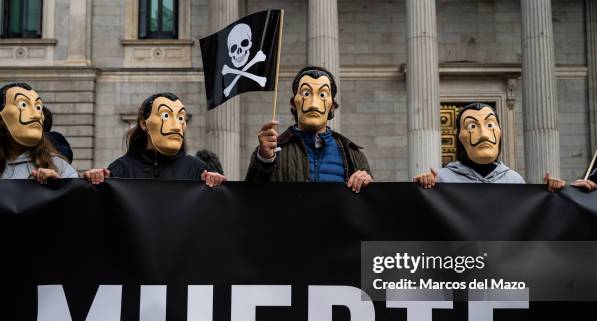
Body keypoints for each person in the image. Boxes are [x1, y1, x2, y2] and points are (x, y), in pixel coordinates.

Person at [245, 66, 373, 193]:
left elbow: (370, 207)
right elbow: (249, 199)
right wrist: (264, 161)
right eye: (306, 93)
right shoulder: (269, 151)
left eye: (322, 95)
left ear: (332, 106)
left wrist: (367, 183)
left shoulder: (353, 155)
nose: (313, 104)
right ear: (293, 104)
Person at [414, 102, 565, 192]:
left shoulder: (514, 180)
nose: (484, 134)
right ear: (459, 136)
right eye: (472, 126)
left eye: (490, 124)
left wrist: (552, 193)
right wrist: (421, 187)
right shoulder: (442, 179)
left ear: (500, 133)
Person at [84, 92, 226, 186]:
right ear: (144, 124)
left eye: (181, 118)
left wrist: (215, 185)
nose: (177, 126)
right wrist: (92, 182)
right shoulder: (121, 169)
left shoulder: (197, 169)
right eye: (165, 115)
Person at [0, 82, 77, 182]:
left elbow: (79, 196)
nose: (36, 115)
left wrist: (59, 187)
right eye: (23, 105)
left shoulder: (59, 165)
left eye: (38, 107)